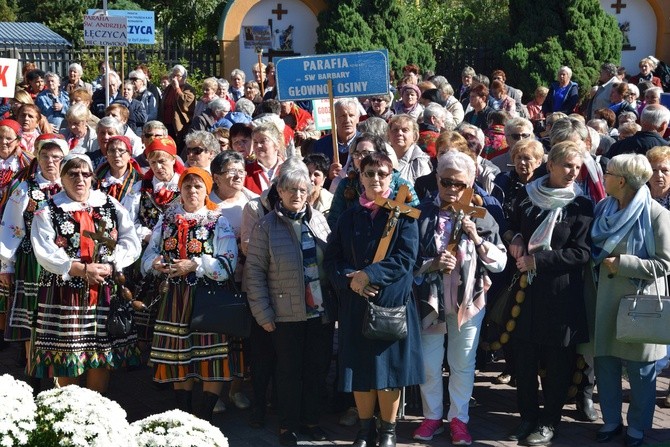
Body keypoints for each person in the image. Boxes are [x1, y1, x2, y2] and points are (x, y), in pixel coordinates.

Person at [324, 152, 424, 447]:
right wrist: (350, 279)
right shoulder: (348, 216)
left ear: (392, 176)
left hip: (390, 302)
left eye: (382, 173)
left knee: (388, 371)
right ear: (361, 177)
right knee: (360, 369)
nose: (376, 179)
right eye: (370, 173)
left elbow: (406, 258)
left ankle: (388, 430)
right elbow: (333, 259)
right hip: (356, 301)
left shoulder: (404, 215)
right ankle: (365, 429)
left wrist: (368, 275)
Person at [413, 151, 507, 445]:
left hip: (468, 300)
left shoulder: (482, 215)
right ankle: (432, 416)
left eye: (459, 183)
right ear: (437, 179)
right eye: (446, 181)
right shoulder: (422, 213)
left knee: (462, 363)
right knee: (429, 363)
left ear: (470, 183)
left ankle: (458, 419)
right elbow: (408, 260)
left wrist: (477, 238)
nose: (452, 189)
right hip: (430, 301)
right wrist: (433, 264)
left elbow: (500, 262)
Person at [29, 153, 141, 393]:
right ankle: (67, 409)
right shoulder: (48, 210)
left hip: (103, 290)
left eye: (85, 173)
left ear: (92, 177)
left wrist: (112, 264)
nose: (80, 178)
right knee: (66, 354)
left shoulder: (110, 204)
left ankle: (94, 409)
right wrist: (77, 268)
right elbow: (43, 249)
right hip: (64, 291)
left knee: (100, 352)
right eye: (72, 173)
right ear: (62, 177)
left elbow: (130, 241)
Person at [505, 141, 593, 445]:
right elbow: (511, 225)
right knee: (525, 358)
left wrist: (538, 260)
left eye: (577, 167)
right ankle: (527, 416)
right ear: (551, 165)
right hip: (526, 292)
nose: (572, 172)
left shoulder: (580, 205)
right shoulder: (527, 196)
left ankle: (549, 421)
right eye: (567, 165)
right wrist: (514, 235)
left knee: (558, 362)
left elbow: (581, 253)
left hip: (561, 295)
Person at [141, 167, 239, 422]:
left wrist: (195, 264)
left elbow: (227, 263)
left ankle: (204, 418)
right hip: (174, 298)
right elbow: (150, 253)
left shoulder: (218, 221)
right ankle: (184, 417)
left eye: (198, 186)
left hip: (207, 298)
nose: (192, 191)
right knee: (177, 358)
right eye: (187, 186)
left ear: (207, 190)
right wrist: (156, 264)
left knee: (211, 358)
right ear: (180, 190)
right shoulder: (167, 220)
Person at [245, 160, 332, 446]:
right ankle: (288, 425)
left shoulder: (318, 219)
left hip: (319, 312)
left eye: (303, 189)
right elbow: (254, 273)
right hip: (284, 314)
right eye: (291, 189)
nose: (297, 194)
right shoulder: (266, 226)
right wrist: (263, 313)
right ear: (279, 192)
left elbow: (330, 261)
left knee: (316, 368)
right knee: (288, 372)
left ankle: (311, 420)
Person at [588, 154, 670, 447]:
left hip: (639, 305)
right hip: (604, 301)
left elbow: (664, 264)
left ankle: (637, 428)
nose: (603, 177)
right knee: (606, 364)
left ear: (621, 181)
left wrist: (623, 263)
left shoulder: (657, 214)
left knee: (641, 371)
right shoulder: (603, 207)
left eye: (608, 173)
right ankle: (611, 421)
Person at [0, 134, 66, 392]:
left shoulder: (71, 186)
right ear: (37, 158)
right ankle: (34, 375)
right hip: (32, 263)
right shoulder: (25, 189)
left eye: (56, 157)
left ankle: (57, 375)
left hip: (62, 265)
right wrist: (6, 264)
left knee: (57, 319)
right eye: (45, 156)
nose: (50, 162)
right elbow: (11, 226)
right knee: (33, 320)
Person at [327, 133, 418, 229]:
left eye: (366, 153)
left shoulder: (402, 185)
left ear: (381, 156)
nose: (360, 158)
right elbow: (334, 220)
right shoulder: (347, 184)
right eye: (357, 154)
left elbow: (414, 217)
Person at [95, 135, 142, 203]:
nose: (116, 155)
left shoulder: (138, 181)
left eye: (121, 150)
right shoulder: (95, 179)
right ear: (107, 155)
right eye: (112, 150)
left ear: (129, 155)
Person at [388, 114, 432, 184]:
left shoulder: (420, 162)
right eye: (395, 130)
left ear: (414, 136)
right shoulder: (382, 157)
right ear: (388, 135)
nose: (399, 133)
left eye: (405, 130)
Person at [161, 64, 196, 149]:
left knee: (178, 147)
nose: (174, 78)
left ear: (184, 77)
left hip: (179, 126)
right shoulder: (169, 88)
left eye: (177, 76)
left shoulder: (189, 89)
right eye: (173, 75)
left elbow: (185, 103)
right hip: (166, 123)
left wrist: (177, 88)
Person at [244, 123, 284, 194]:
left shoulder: (289, 169)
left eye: (263, 141)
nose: (258, 146)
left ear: (277, 144)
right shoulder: (246, 172)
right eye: (255, 142)